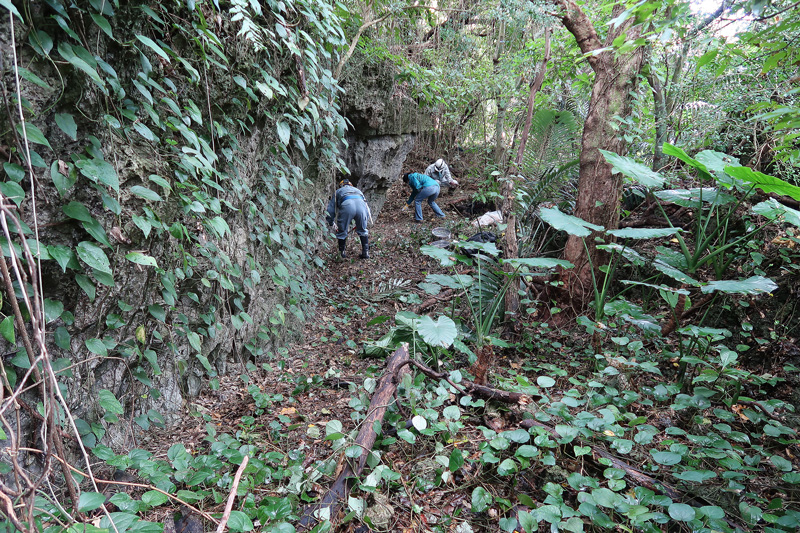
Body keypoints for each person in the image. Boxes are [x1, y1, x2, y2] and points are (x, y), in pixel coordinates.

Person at [326, 179, 371, 259]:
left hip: (347, 204)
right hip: (361, 206)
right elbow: (366, 208)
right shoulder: (358, 191)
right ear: (351, 185)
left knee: (342, 231)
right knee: (363, 230)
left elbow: (331, 209)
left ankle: (341, 254)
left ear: (341, 185)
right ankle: (366, 252)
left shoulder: (339, 191)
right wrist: (364, 221)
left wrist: (330, 221)